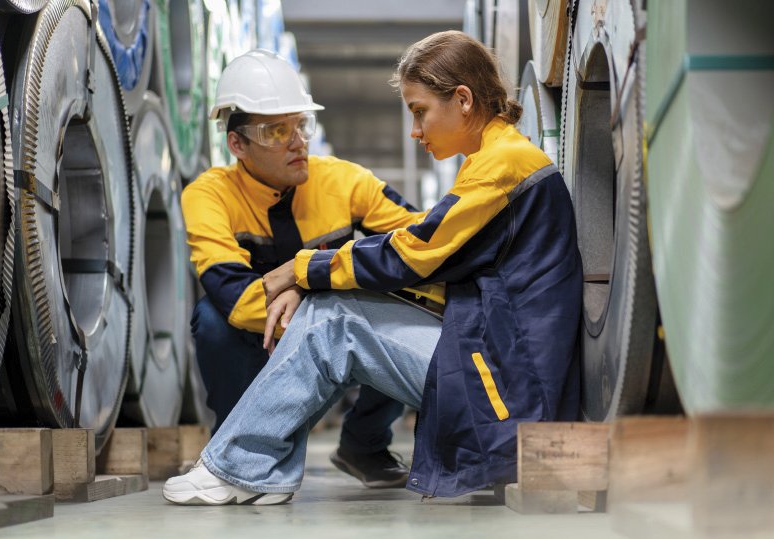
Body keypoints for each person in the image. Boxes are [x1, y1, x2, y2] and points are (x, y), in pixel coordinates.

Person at [164, 30, 582, 506]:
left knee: (337, 318)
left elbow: (413, 250)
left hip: (506, 391)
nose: (415, 131)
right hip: (502, 367)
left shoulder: (499, 166)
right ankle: (252, 461)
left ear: (463, 100)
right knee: (268, 315)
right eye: (277, 132)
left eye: (420, 111)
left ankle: (245, 466)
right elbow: (421, 255)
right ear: (238, 144)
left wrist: (304, 273)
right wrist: (317, 281)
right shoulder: (496, 159)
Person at [183, 49, 426, 488]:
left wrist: (305, 284)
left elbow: (423, 248)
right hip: (257, 334)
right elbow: (236, 300)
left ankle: (364, 444)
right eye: (277, 130)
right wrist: (316, 296)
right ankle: (236, 444)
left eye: (302, 125)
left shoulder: (346, 181)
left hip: (333, 332)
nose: (298, 142)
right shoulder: (209, 196)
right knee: (212, 319)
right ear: (237, 144)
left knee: (396, 305)